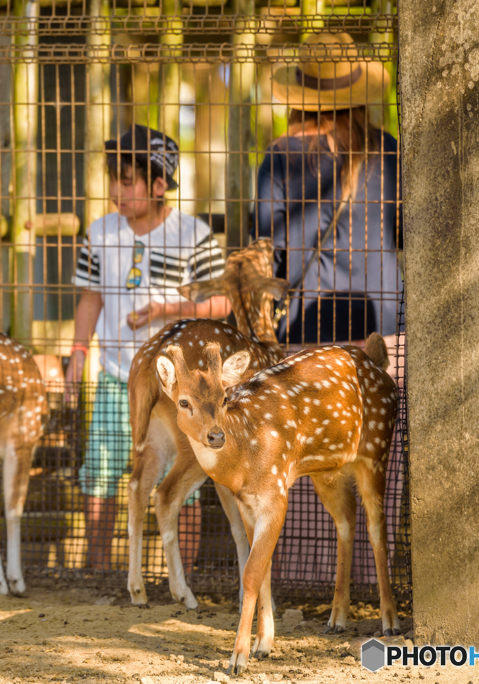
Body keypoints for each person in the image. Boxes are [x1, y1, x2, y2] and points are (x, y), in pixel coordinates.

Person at [66, 124, 231, 571]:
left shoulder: (192, 234)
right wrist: (79, 354)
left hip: (180, 385)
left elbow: (222, 300)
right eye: (112, 181)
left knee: (185, 473)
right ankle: (97, 569)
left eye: (127, 181)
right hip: (118, 373)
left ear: (159, 184)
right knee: (100, 471)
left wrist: (167, 308)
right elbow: (91, 297)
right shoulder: (100, 233)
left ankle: (180, 572)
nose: (116, 192)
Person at [254, 32, 403, 347]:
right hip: (380, 333)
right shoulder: (389, 151)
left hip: (304, 337)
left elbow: (267, 253)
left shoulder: (280, 157)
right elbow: (403, 233)